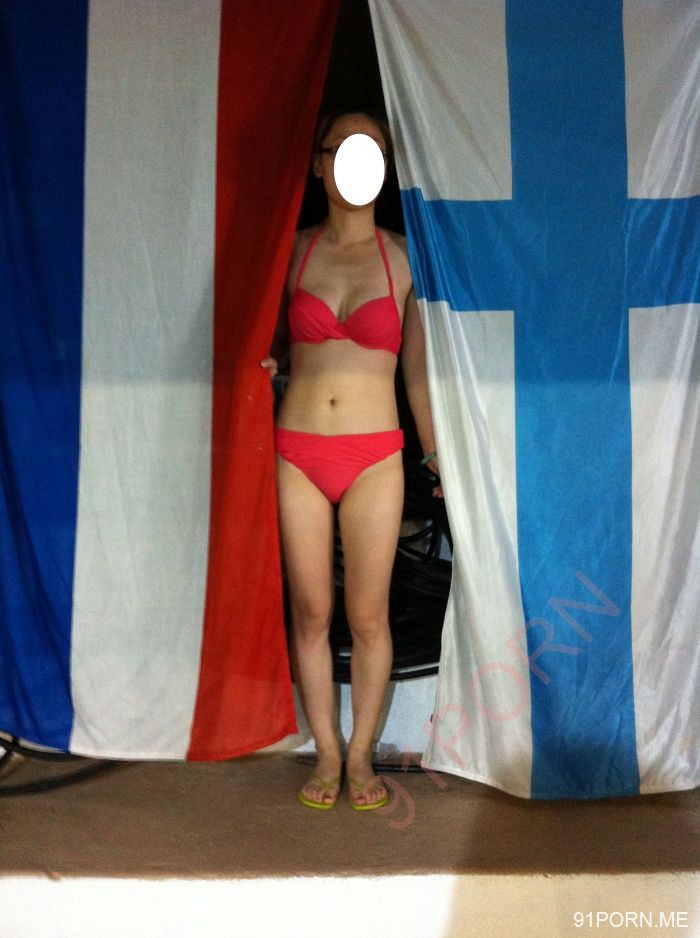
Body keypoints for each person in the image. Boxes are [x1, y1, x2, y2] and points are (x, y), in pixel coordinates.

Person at [261, 110, 441, 811]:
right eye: (347, 149)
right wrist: (266, 363)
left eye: (375, 151)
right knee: (311, 610)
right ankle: (328, 751)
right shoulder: (293, 251)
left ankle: (361, 753)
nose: (361, 162)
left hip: (375, 455)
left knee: (368, 616)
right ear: (320, 163)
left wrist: (435, 455)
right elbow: (270, 344)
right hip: (297, 450)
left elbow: (417, 372)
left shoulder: (403, 258)